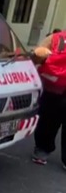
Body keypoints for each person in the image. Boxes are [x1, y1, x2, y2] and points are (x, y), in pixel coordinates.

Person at [30, 28, 66, 167]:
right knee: (47, 121)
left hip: (53, 87)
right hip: (53, 89)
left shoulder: (56, 38)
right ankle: (43, 150)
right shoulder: (56, 38)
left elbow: (37, 55)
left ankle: (42, 150)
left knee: (47, 121)